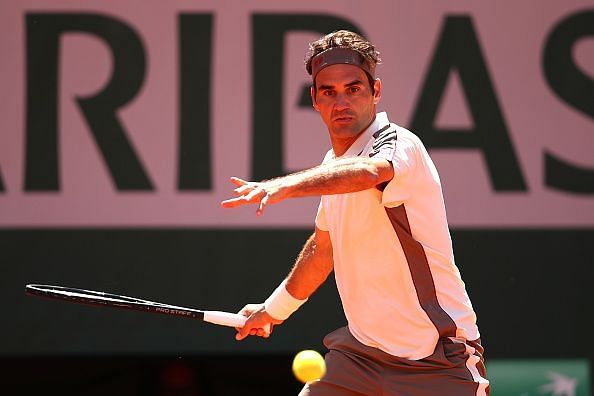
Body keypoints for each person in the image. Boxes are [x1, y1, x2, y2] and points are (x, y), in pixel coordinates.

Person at [221, 30, 489, 396]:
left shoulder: (399, 144)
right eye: (329, 92)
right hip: (360, 357)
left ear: (375, 92)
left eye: (354, 89)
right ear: (314, 99)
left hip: (435, 358)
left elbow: (371, 173)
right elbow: (323, 248)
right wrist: (273, 310)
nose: (341, 102)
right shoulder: (333, 165)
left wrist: (285, 185)